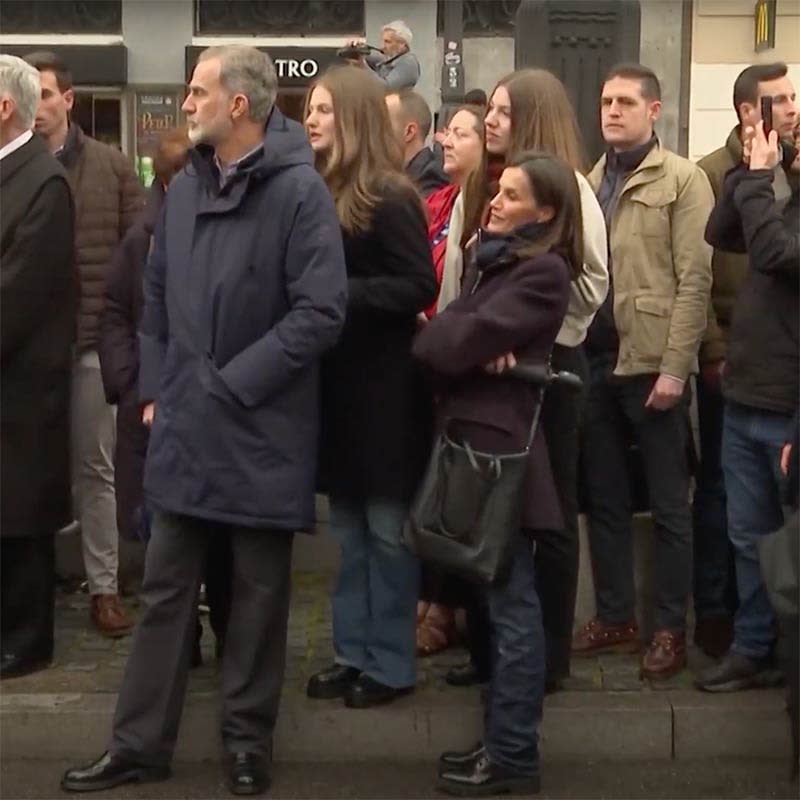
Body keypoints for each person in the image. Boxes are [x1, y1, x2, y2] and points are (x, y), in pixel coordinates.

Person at [60, 45, 347, 795]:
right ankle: (137, 745)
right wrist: (158, 388)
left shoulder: (300, 193)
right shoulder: (182, 190)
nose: (186, 104)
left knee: (256, 595)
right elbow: (154, 304)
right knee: (163, 590)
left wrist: (233, 381)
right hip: (185, 425)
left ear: (239, 106)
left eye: (196, 92)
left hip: (262, 427)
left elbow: (321, 313)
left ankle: (248, 742)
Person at [413, 151, 581, 795]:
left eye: (512, 195)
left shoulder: (541, 274)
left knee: (512, 611)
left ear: (545, 212)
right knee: (497, 608)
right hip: (473, 450)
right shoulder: (495, 265)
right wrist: (459, 339)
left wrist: (458, 340)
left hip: (500, 460)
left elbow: (439, 342)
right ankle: (500, 746)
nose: (496, 201)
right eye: (497, 191)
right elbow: (442, 340)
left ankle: (513, 757)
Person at [448, 68, 609, 691]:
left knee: (551, 516)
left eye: (504, 113)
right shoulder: (477, 186)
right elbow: (461, 274)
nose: (490, 121)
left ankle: (546, 661)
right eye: (488, 109)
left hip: (549, 372)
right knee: (484, 509)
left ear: (534, 120)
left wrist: (525, 332)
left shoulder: (568, 188)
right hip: (485, 375)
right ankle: (489, 652)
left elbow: (594, 283)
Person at [574, 63, 714, 680]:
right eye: (606, 101)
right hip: (596, 361)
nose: (612, 111)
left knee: (667, 505)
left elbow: (696, 280)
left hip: (652, 365)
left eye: (625, 102)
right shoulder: (592, 180)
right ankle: (615, 616)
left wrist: (677, 369)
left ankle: (666, 628)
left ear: (653, 110)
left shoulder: (682, 180)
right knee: (603, 496)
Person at [304, 65, 436, 708]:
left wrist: (337, 297)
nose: (311, 119)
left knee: (387, 534)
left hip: (386, 393)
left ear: (352, 116)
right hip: (337, 389)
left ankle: (389, 664)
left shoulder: (390, 195)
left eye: (324, 109)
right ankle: (350, 653)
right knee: (350, 532)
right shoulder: (317, 189)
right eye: (311, 109)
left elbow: (418, 286)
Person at [97, 127, 232, 668]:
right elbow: (117, 313)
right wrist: (132, 385)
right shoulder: (144, 237)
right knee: (163, 539)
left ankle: (223, 632)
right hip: (154, 411)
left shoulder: (216, 233)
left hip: (209, 410)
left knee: (216, 542)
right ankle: (183, 643)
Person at [25, 50, 145, 638]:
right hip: (28, 346)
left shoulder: (112, 166)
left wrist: (125, 340)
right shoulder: (14, 167)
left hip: (92, 340)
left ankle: (104, 587)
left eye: (47, 94)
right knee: (28, 468)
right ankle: (30, 584)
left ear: (67, 100)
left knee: (97, 469)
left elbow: (137, 257)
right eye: (31, 94)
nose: (38, 106)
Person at [694, 61, 798, 659]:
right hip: (745, 396)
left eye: (794, 100)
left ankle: (785, 661)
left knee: (788, 546)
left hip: (788, 408)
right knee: (746, 537)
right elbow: (722, 232)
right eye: (779, 101)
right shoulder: (769, 185)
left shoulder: (780, 195)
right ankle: (752, 650)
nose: (791, 110)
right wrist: (752, 169)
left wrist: (763, 176)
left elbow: (775, 252)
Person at [0, 54, 76, 680]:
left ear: (4, 107)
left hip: (23, 387)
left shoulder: (42, 182)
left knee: (20, 516)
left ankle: (27, 641)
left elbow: (17, 295)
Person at [416, 104, 487, 655]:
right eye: (448, 129)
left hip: (471, 368)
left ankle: (452, 609)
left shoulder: (492, 202)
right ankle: (431, 602)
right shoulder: (437, 200)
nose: (447, 138)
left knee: (465, 498)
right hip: (432, 360)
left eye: (461, 132)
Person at [385, 89, 449, 197]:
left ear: (409, 132)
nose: (373, 132)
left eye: (382, 123)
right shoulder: (396, 177)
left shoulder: (429, 184)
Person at [345, 20, 420, 90]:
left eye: (388, 42)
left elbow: (386, 88)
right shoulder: (390, 58)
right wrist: (355, 48)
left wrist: (363, 66)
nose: (382, 46)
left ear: (402, 44)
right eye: (383, 41)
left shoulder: (408, 63)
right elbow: (367, 57)